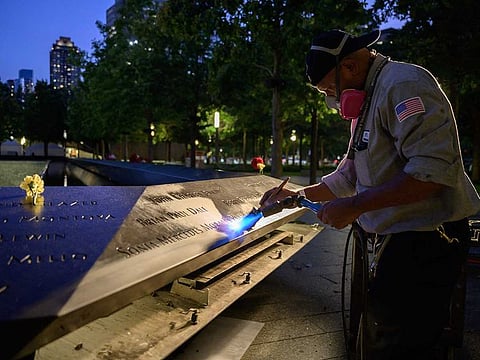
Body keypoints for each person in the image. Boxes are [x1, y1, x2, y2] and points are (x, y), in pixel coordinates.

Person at [259, 29, 480, 359]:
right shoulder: (368, 98)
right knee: (378, 332)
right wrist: (296, 194)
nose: (332, 99)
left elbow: (432, 173)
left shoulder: (403, 86)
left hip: (427, 240)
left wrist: (356, 206)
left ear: (349, 66)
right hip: (399, 239)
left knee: (400, 343)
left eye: (331, 89)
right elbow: (350, 173)